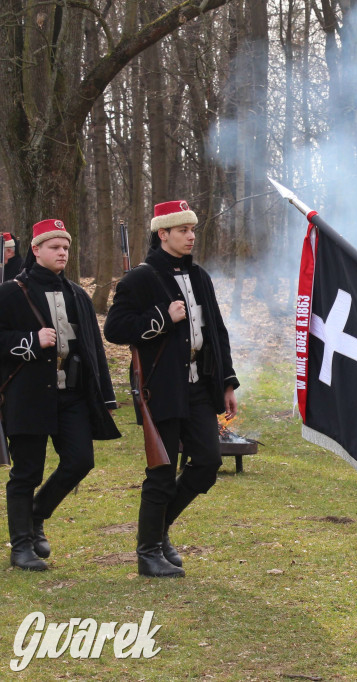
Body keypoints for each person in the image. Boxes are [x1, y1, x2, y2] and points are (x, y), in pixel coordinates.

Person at [104, 200, 239, 578]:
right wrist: (163, 317)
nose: (191, 236)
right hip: (160, 388)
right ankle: (148, 552)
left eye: (192, 229)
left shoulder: (201, 277)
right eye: (182, 230)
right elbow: (115, 329)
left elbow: (216, 333)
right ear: (163, 234)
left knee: (208, 464)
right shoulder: (139, 279)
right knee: (161, 471)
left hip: (199, 386)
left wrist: (227, 381)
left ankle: (160, 530)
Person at [0, 219, 120, 571]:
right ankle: (21, 546)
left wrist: (107, 398)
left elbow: (94, 349)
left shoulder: (77, 294)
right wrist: (31, 341)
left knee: (81, 461)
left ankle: (36, 515)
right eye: (54, 247)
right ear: (36, 250)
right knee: (26, 473)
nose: (62, 253)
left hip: (72, 394)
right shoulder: (10, 292)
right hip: (27, 395)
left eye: (65, 247)